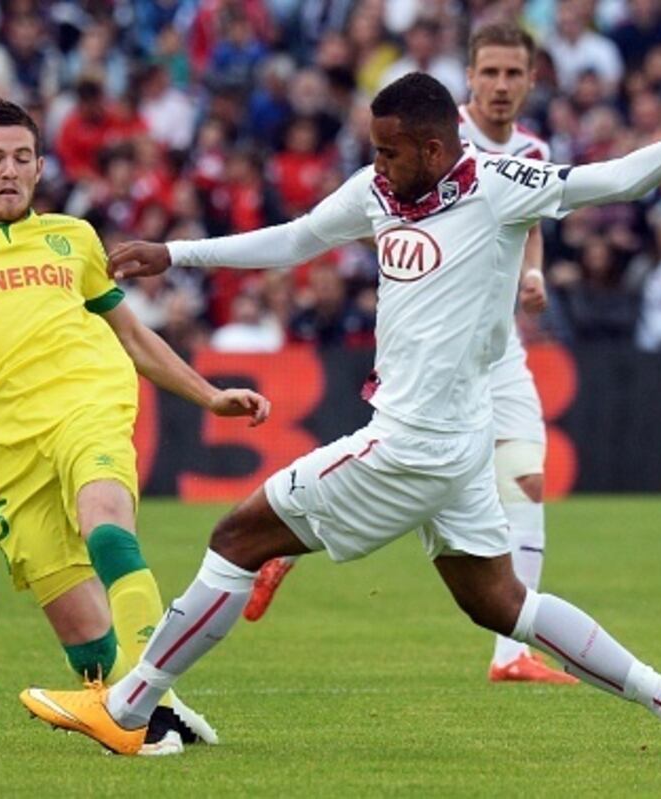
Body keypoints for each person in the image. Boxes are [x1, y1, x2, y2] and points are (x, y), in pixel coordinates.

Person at [19, 66, 661, 757]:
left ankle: (127, 706)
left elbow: (612, 182)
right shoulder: (380, 192)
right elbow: (298, 239)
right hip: (457, 447)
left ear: (438, 145)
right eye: (374, 150)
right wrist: (178, 254)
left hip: (415, 443)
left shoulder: (501, 187)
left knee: (236, 536)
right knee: (501, 603)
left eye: (390, 151)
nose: (378, 164)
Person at [0, 98, 271, 756]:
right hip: (9, 451)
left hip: (87, 405)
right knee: (86, 640)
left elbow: (131, 336)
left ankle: (140, 705)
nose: (9, 170)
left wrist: (208, 396)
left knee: (106, 520)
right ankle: (160, 710)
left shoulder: (74, 238)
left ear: (39, 169)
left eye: (22, 158)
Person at [243, 24, 577, 686]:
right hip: (437, 336)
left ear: (532, 81)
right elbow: (373, 210)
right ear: (470, 79)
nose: (503, 86)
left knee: (525, 477)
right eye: (491, 73)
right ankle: (289, 538)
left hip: (497, 341)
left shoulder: (534, 150)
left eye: (515, 74)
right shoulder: (427, 136)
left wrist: (531, 274)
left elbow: (524, 228)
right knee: (410, 454)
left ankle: (511, 656)